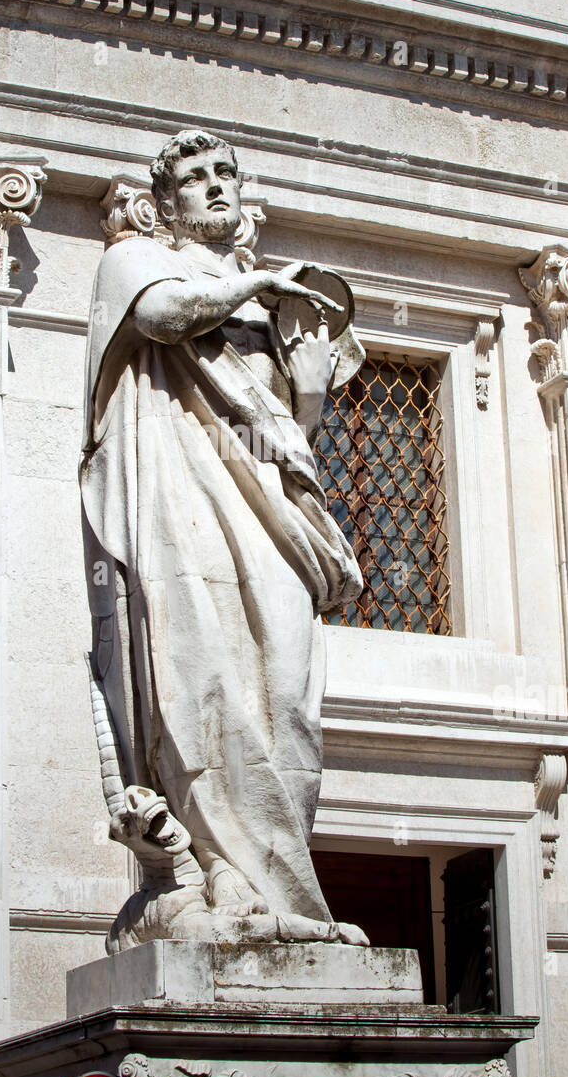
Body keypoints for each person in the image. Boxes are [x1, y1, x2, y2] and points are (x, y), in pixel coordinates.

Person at [80, 129, 365, 946]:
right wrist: (258, 280)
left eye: (224, 175)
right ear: (167, 203)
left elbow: (278, 436)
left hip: (263, 510)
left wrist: (307, 390)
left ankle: (286, 890)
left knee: (284, 693)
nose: (213, 187)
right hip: (181, 500)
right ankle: (223, 879)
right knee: (200, 674)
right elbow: (167, 319)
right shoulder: (135, 262)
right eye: (195, 178)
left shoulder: (264, 311)